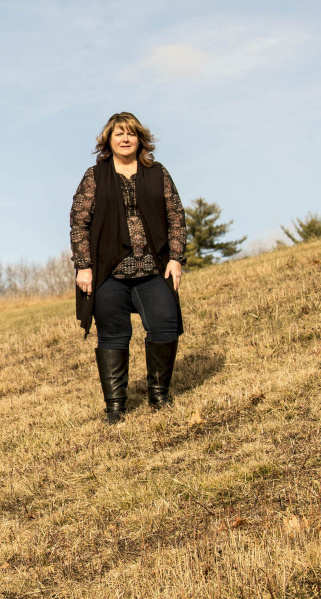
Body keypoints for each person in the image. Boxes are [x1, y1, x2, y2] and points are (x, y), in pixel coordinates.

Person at [69, 112, 187, 424]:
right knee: (113, 334)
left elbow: (176, 214)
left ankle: (159, 395)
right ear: (108, 140)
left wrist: (176, 258)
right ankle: (116, 409)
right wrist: (83, 266)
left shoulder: (157, 172)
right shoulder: (94, 176)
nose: (125, 139)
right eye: (118, 134)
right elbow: (79, 222)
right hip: (108, 271)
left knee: (165, 323)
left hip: (152, 267)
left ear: (140, 139)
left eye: (131, 134)